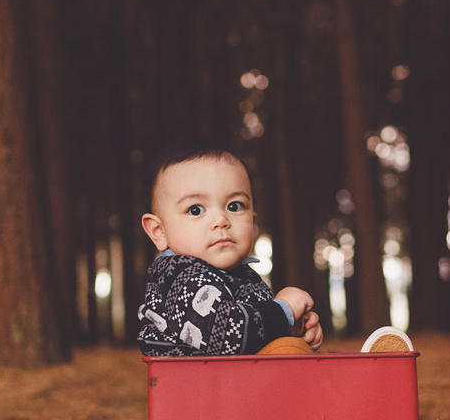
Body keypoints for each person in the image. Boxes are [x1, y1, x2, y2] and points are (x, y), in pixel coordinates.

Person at [136, 140, 324, 357]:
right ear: (159, 231)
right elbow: (228, 335)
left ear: (252, 220)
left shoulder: (242, 275)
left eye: (234, 206)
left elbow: (255, 336)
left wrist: (293, 330)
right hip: (195, 387)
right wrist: (285, 310)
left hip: (233, 383)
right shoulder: (178, 277)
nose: (221, 220)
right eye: (195, 210)